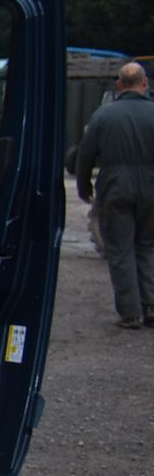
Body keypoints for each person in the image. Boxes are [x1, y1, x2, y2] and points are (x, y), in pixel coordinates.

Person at [75, 61, 154, 327]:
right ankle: (151, 306)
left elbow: (85, 155)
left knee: (120, 250)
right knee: (147, 247)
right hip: (152, 188)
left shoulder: (103, 115)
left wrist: (84, 186)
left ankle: (131, 313)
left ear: (119, 85)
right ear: (145, 83)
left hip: (115, 188)